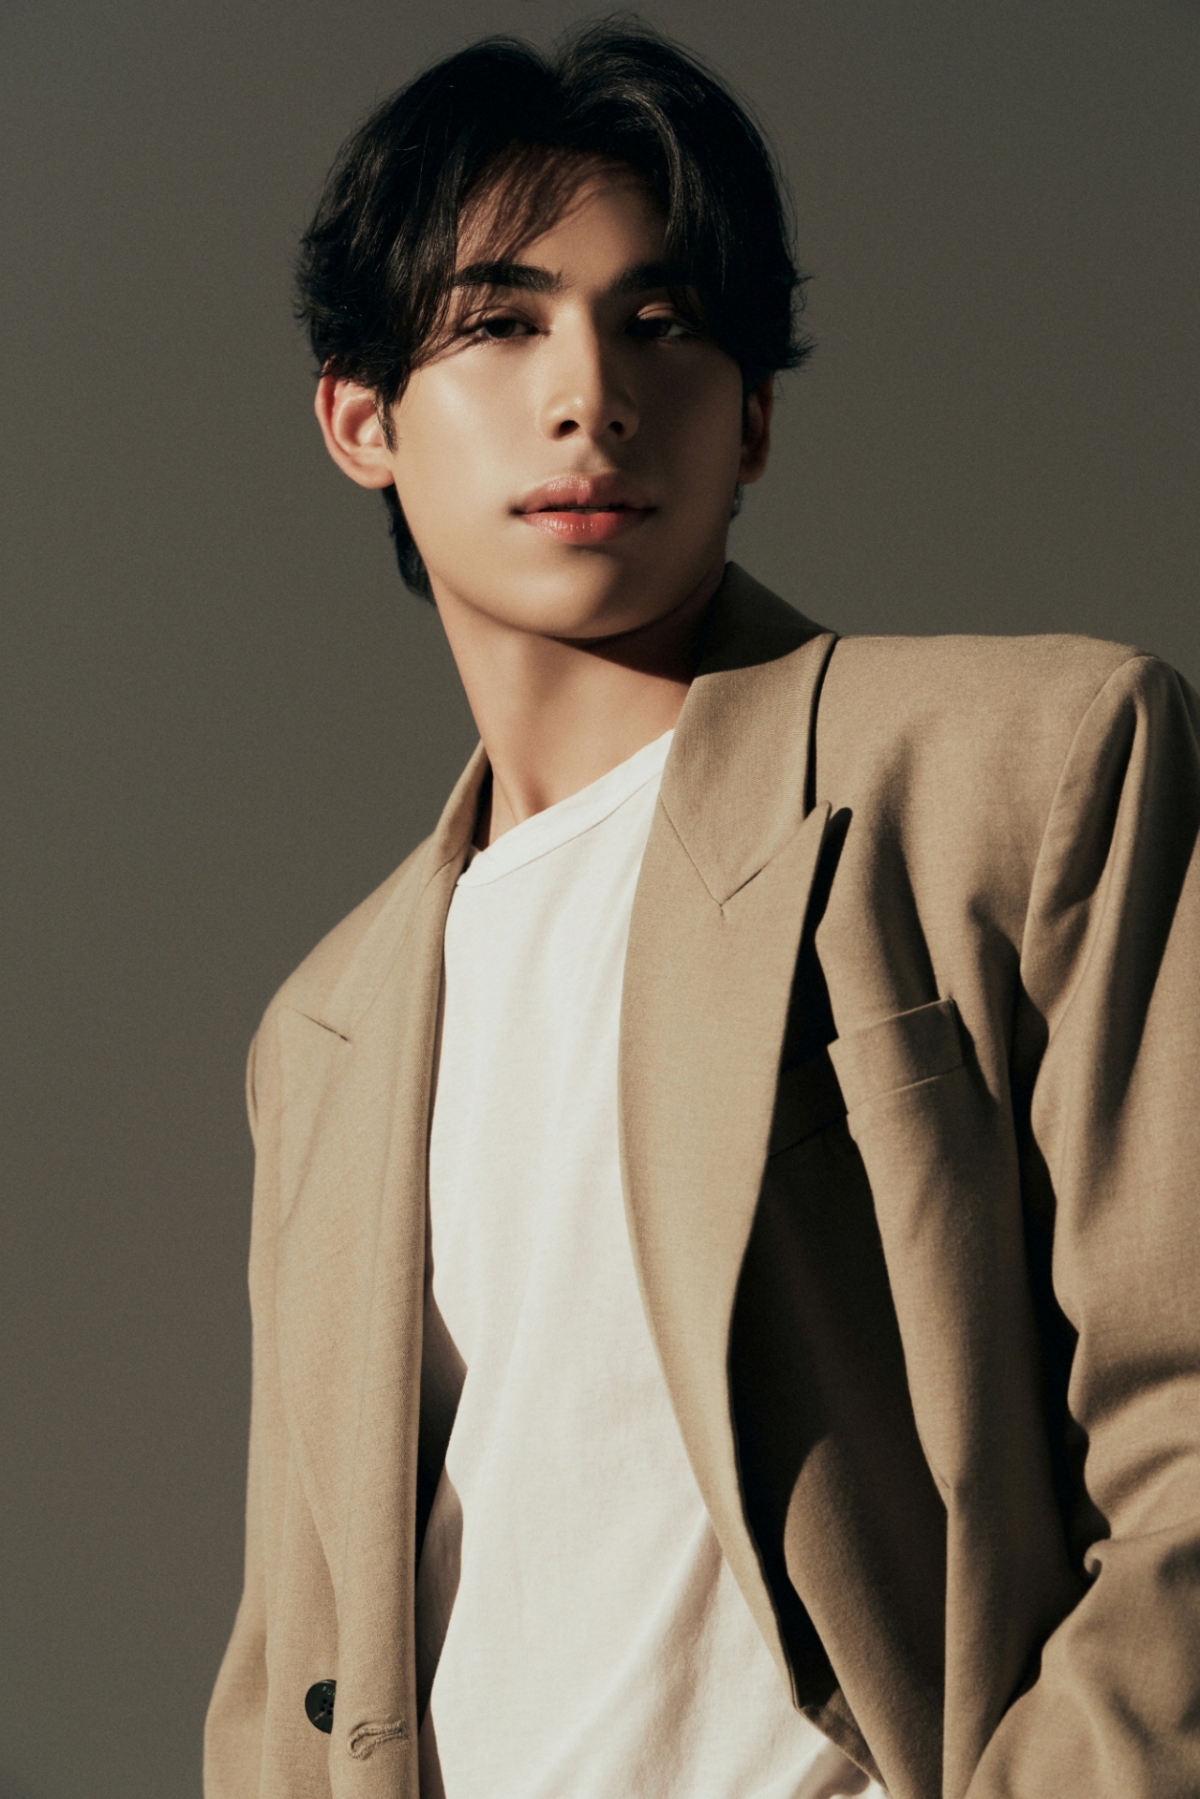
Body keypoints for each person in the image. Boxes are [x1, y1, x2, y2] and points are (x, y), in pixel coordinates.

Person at [204, 21, 1200, 1799]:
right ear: (362, 420)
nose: (590, 393)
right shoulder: (327, 1030)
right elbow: (297, 1656)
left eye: (659, 322)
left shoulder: (1030, 766)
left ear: (752, 417)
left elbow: (1185, 1426)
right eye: (500, 324)